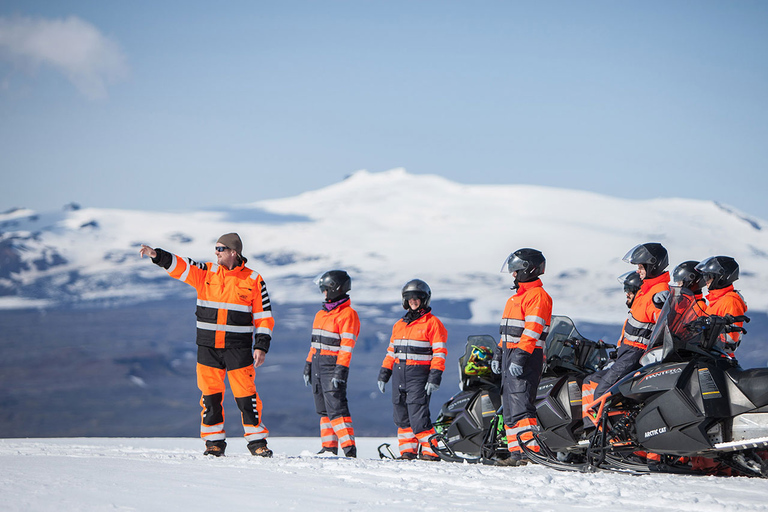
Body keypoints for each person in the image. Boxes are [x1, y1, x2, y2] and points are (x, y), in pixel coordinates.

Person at [139, 233, 274, 457]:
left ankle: (257, 442)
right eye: (216, 248)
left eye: (220, 248)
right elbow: (182, 266)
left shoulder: (253, 279)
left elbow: (264, 316)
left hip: (237, 348)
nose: (216, 252)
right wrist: (157, 256)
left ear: (234, 252)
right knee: (210, 396)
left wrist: (261, 346)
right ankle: (214, 443)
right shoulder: (206, 272)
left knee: (246, 396)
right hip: (208, 347)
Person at [582, 243, 670, 428]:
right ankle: (592, 434)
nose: (638, 271)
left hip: (635, 355)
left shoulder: (659, 293)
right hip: (626, 352)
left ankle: (616, 443)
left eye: (640, 266)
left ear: (652, 265)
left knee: (603, 394)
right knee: (595, 382)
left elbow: (663, 329)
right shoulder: (646, 290)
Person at [492, 248, 552, 466]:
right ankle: (516, 453)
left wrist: (519, 357)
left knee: (522, 407)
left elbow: (532, 330)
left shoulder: (537, 296)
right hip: (511, 355)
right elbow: (508, 334)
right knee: (510, 408)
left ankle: (530, 453)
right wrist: (499, 354)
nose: (513, 275)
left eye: (516, 271)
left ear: (528, 270)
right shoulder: (514, 299)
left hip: (526, 357)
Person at [377, 279, 447, 461]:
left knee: (418, 417)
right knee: (402, 417)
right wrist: (384, 374)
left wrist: (435, 377)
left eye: (417, 298)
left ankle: (431, 452)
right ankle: (407, 452)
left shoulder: (433, 323)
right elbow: (391, 352)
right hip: (399, 375)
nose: (413, 301)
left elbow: (439, 353)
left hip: (419, 376)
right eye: (409, 298)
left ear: (424, 300)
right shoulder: (399, 325)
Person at [304, 270, 360, 457]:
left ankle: (349, 449)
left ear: (335, 289)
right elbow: (315, 344)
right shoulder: (321, 314)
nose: (324, 293)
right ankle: (329, 448)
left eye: (325, 289)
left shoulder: (348, 314)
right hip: (318, 365)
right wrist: (308, 364)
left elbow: (347, 346)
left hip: (332, 367)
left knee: (337, 409)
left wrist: (340, 371)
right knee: (323, 410)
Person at [696, 256, 747, 355]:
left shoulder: (730, 301)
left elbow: (731, 339)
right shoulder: (715, 300)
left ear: (721, 277)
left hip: (719, 359)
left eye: (708, 276)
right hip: (707, 355)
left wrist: (704, 334)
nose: (706, 280)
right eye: (704, 277)